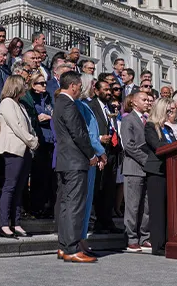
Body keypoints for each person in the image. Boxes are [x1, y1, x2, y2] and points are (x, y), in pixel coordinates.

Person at [53, 71, 97, 263]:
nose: (80, 89)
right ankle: (71, 248)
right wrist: (92, 154)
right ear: (72, 85)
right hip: (75, 162)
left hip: (65, 161)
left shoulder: (59, 104)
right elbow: (79, 133)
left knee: (65, 205)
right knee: (74, 206)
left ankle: (64, 247)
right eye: (79, 86)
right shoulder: (69, 105)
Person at [0, 75, 39, 239]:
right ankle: (4, 224)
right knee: (10, 186)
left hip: (24, 150)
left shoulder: (19, 105)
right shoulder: (7, 103)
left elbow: (27, 126)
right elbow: (17, 126)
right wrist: (32, 141)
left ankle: (16, 222)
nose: (26, 88)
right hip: (14, 149)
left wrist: (32, 139)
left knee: (19, 187)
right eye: (23, 85)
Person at [75, 74, 106, 252]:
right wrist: (101, 153)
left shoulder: (85, 105)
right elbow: (88, 134)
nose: (95, 87)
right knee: (83, 200)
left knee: (88, 199)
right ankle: (79, 237)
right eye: (93, 84)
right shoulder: (80, 106)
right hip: (87, 157)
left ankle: (83, 236)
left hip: (91, 156)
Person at [121, 90, 154, 253]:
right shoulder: (128, 120)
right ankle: (132, 238)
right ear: (133, 102)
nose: (148, 102)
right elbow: (129, 145)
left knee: (146, 206)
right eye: (144, 99)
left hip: (147, 169)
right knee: (133, 206)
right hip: (134, 168)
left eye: (149, 100)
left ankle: (144, 237)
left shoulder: (148, 120)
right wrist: (147, 160)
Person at [144, 98, 177, 256]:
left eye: (172, 111)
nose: (171, 114)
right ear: (161, 110)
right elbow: (157, 146)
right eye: (168, 110)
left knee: (168, 209)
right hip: (156, 172)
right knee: (157, 210)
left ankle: (168, 241)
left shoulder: (168, 130)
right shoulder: (151, 126)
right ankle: (158, 245)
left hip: (170, 171)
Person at [89, 80, 121, 234]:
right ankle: (94, 221)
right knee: (97, 188)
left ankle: (107, 221)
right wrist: (99, 138)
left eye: (110, 90)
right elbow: (87, 128)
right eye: (106, 90)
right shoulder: (91, 106)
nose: (109, 92)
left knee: (109, 189)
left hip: (112, 152)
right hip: (98, 152)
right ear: (96, 91)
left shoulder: (110, 107)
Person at [29, 71, 56, 218]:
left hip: (50, 138)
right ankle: (36, 207)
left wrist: (49, 117)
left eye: (45, 83)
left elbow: (52, 112)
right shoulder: (31, 97)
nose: (44, 85)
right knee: (38, 175)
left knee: (49, 176)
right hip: (39, 139)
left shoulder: (47, 97)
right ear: (33, 84)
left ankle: (47, 206)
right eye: (41, 83)